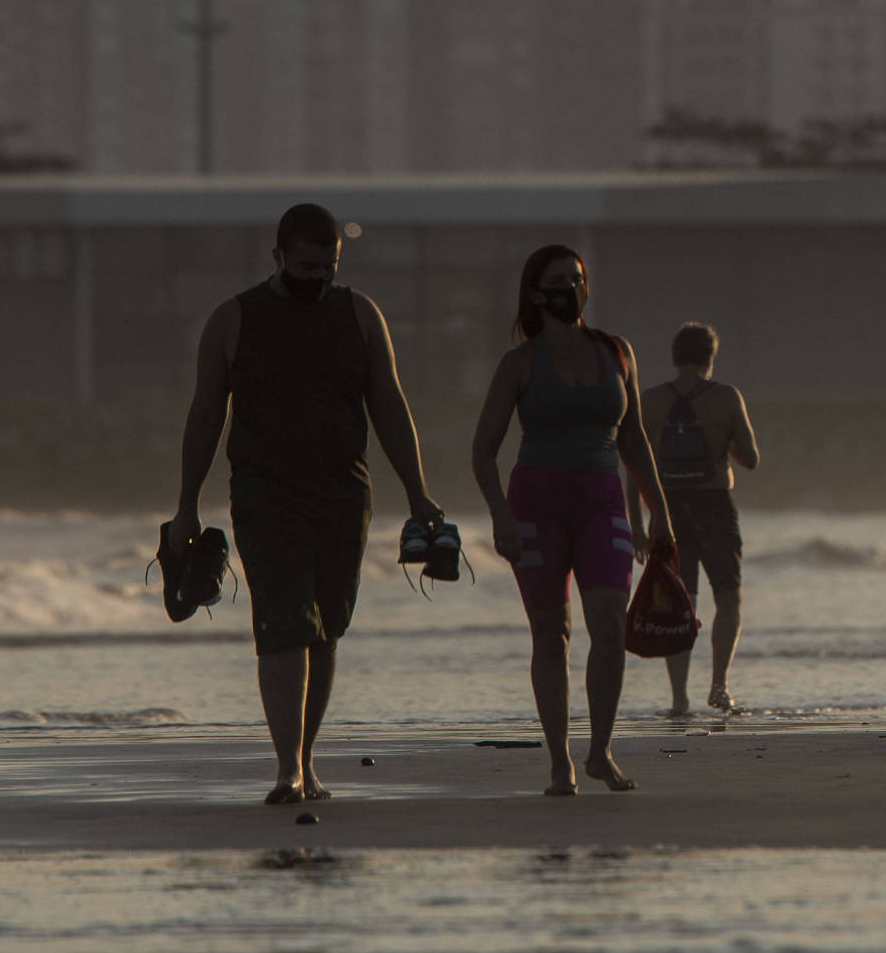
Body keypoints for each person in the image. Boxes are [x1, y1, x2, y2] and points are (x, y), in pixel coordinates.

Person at [168, 202, 449, 804]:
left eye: (328, 267)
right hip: (265, 494)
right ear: (278, 257)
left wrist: (419, 491)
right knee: (283, 622)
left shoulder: (361, 315)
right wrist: (187, 504)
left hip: (345, 494)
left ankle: (307, 758)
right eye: (306, 266)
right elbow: (205, 417)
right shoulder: (233, 320)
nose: (318, 278)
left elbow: (391, 407)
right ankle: (286, 769)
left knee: (325, 630)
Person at [470, 245, 674, 795]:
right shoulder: (520, 363)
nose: (570, 288)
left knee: (609, 625)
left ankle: (600, 751)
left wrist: (659, 511)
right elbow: (483, 450)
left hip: (602, 500)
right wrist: (500, 516)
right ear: (537, 294)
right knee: (551, 634)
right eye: (558, 281)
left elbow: (633, 438)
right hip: (536, 504)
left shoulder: (617, 352)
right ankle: (559, 761)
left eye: (577, 278)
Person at [629, 321, 761, 718]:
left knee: (679, 603)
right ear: (710, 357)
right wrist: (720, 442)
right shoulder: (725, 397)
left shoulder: (649, 401)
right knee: (728, 596)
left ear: (674, 357)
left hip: (667, 511)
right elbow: (751, 459)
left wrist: (638, 525)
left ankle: (678, 700)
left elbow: (633, 467)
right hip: (714, 507)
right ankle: (719, 687)